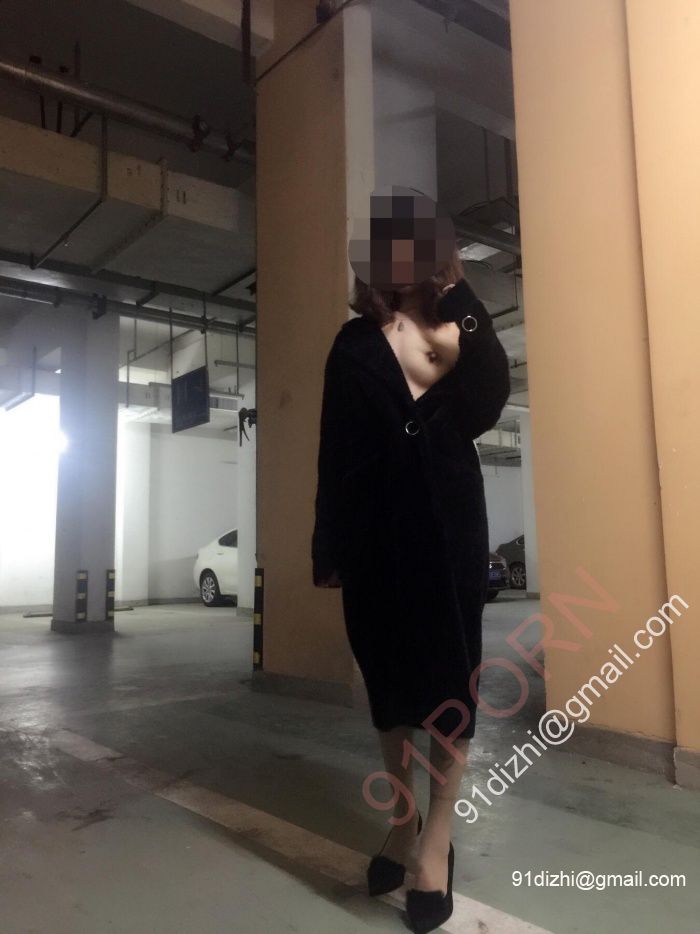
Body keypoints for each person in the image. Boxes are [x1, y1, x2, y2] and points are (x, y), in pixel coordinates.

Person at [311, 190, 510, 933]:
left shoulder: (458, 328)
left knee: (449, 683)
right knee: (391, 685)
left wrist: (460, 296)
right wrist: (329, 543)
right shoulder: (353, 343)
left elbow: (491, 393)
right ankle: (402, 820)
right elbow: (336, 449)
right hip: (375, 531)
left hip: (448, 525)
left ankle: (436, 841)